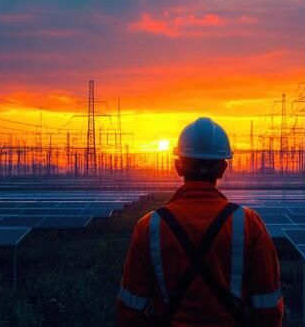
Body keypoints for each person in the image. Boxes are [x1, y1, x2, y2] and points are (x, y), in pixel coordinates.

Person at [117, 117, 283, 327]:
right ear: (223, 169)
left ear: (178, 166)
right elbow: (269, 310)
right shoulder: (249, 224)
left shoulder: (149, 226)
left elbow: (129, 313)